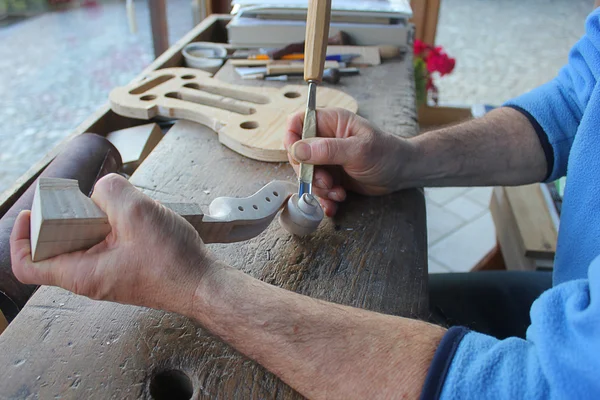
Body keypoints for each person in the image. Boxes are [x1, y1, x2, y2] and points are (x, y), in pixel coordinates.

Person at [10, 9, 600, 399]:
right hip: (568, 304)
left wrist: (196, 287)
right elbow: (576, 105)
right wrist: (405, 161)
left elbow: (542, 387)